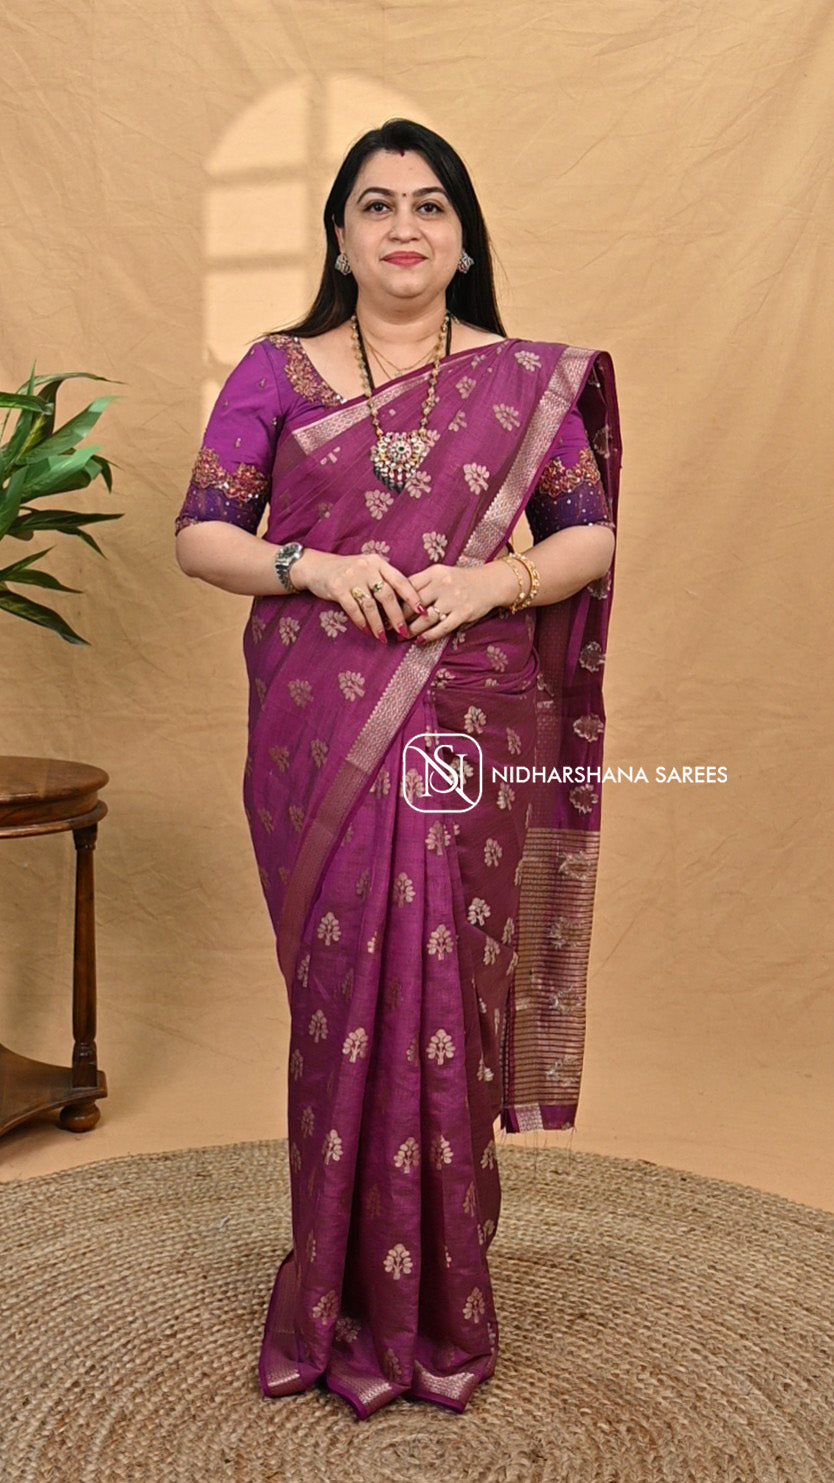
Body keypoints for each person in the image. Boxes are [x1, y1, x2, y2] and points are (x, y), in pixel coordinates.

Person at [175, 117, 622, 1421]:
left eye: (430, 205)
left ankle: (443, 1303)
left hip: (471, 720)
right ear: (339, 237)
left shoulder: (521, 380)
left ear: (463, 238)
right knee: (344, 993)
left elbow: (587, 536)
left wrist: (493, 581)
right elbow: (202, 533)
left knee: (451, 989)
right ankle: (335, 1296)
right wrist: (314, 566)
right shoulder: (276, 371)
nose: (404, 227)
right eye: (375, 205)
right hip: (319, 725)